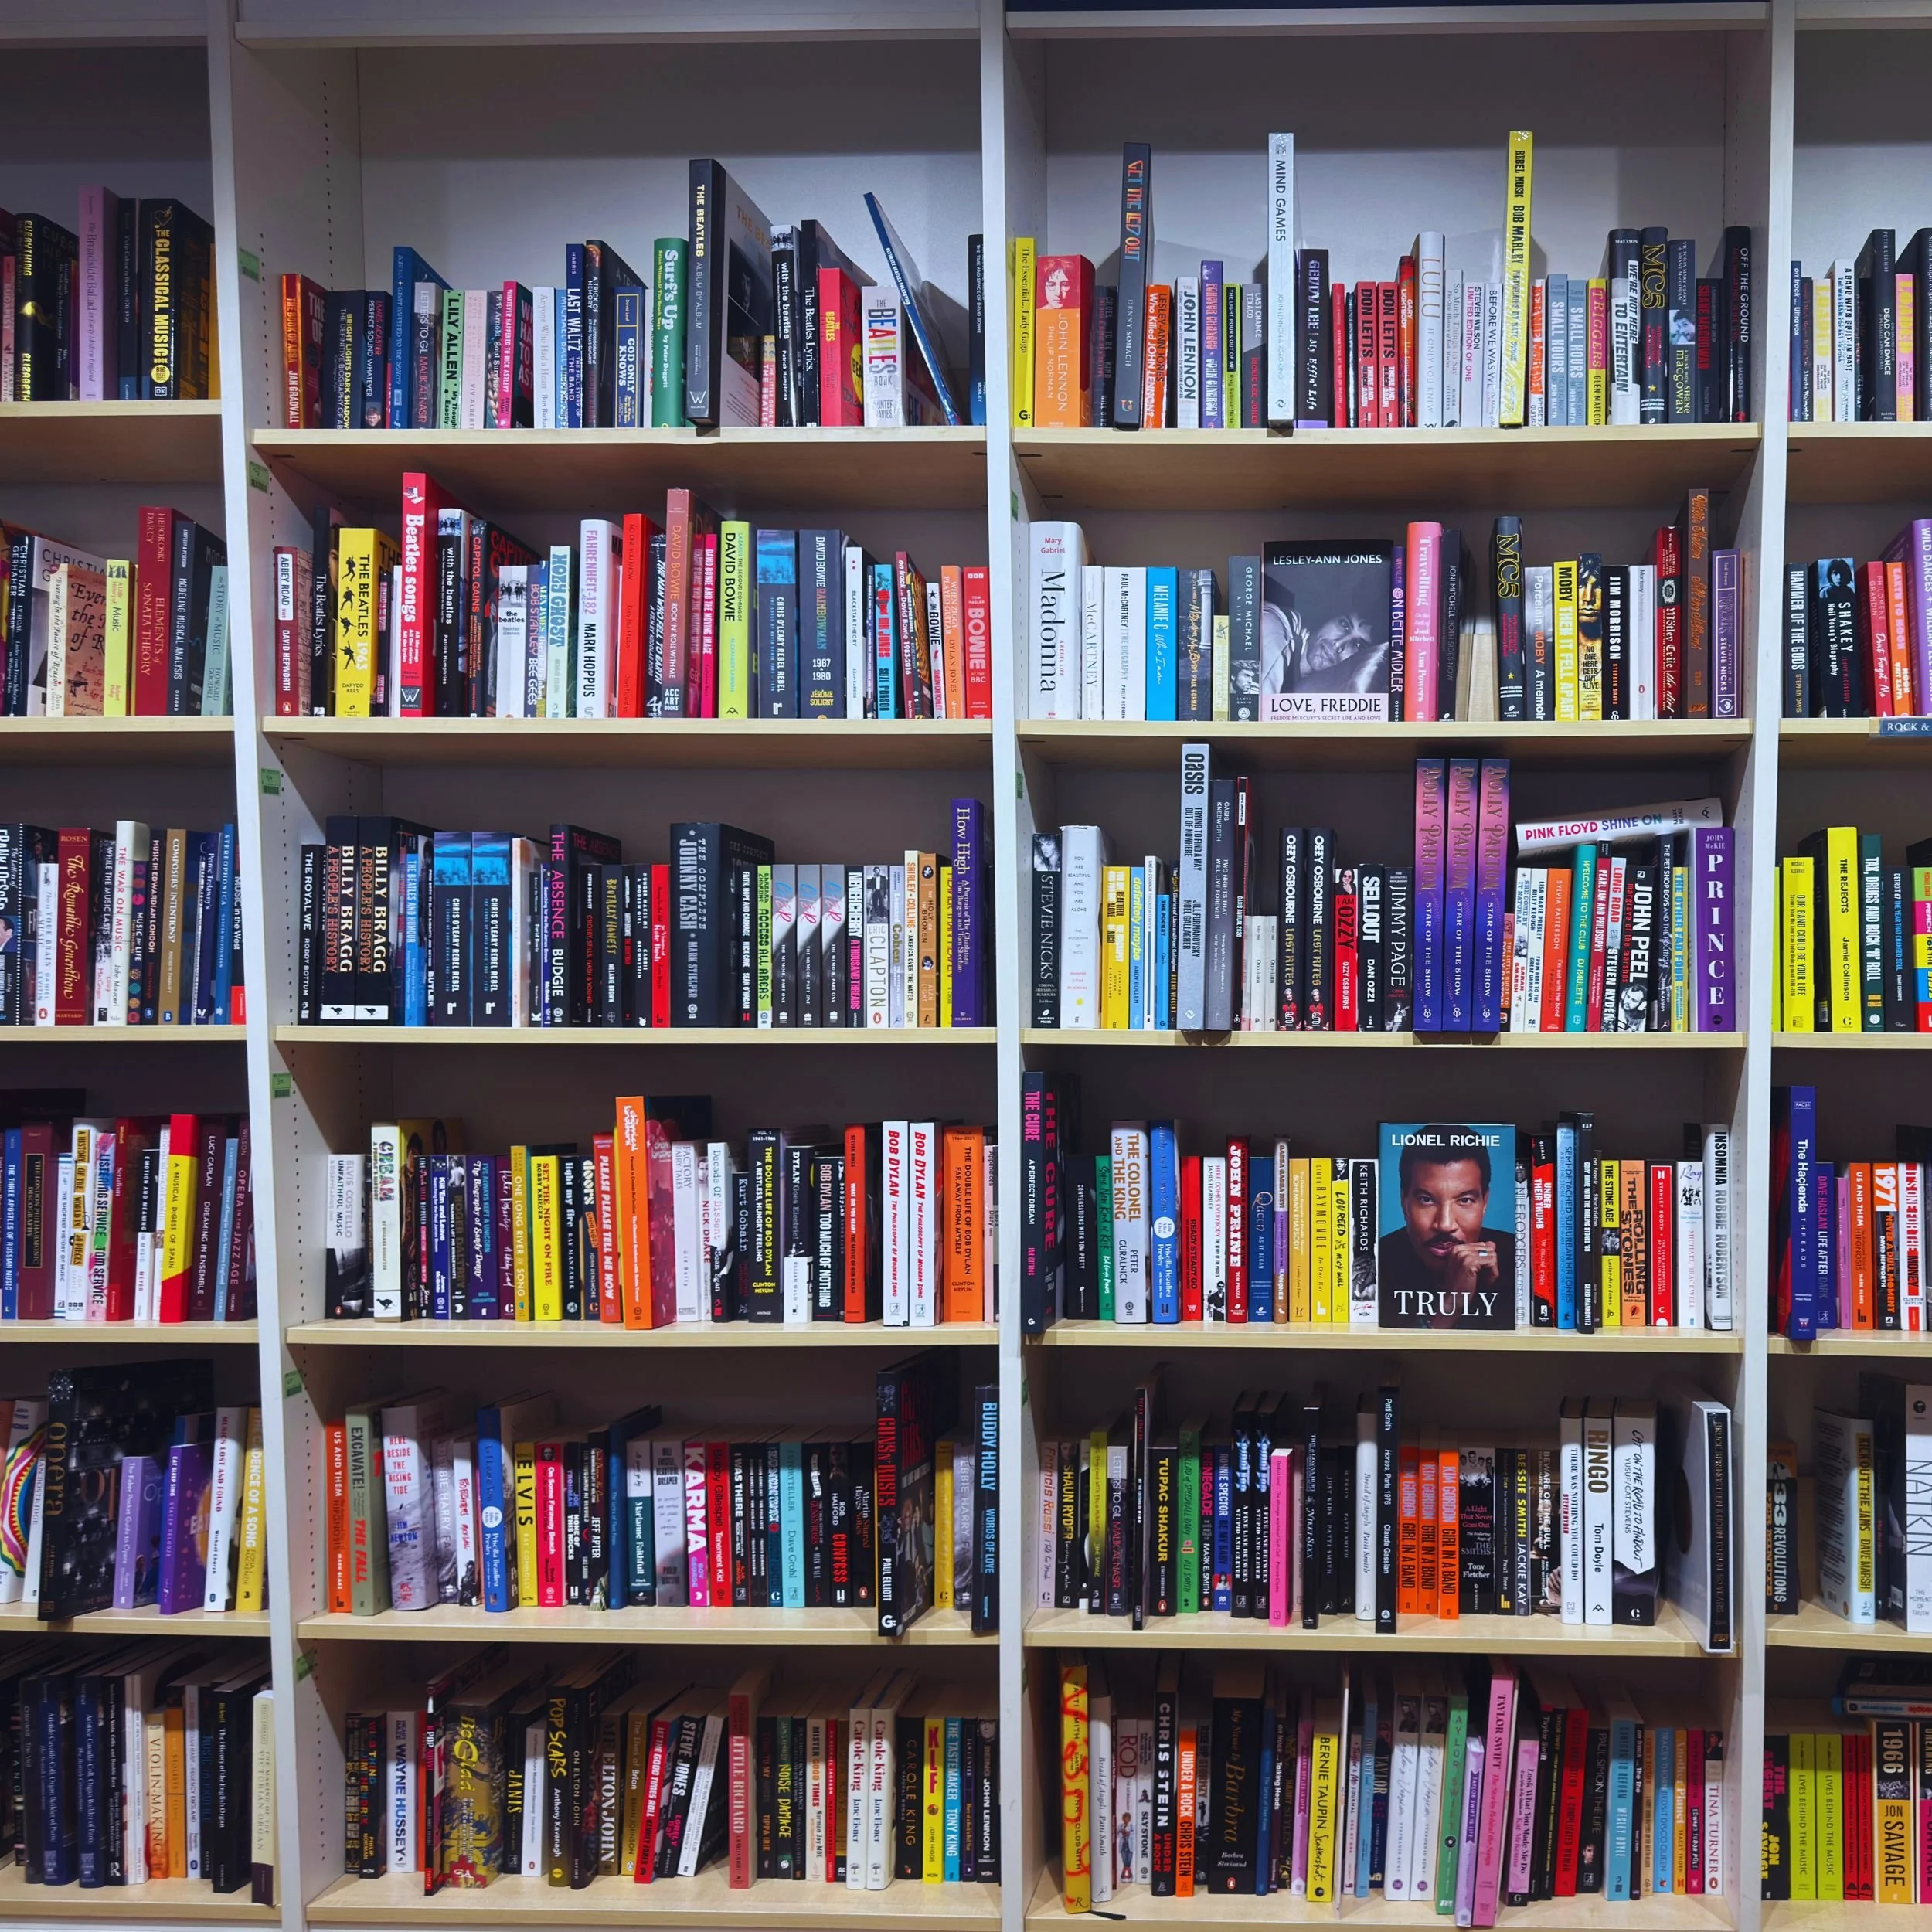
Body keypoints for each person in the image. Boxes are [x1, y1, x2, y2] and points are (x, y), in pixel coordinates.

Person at [1377, 1125, 1515, 1328]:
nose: (1445, 1225)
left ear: (1485, 1202)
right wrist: (1452, 1304)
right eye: (1426, 1200)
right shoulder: (1377, 1262)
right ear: (1403, 1199)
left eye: (1465, 1200)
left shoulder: (1519, 1258)